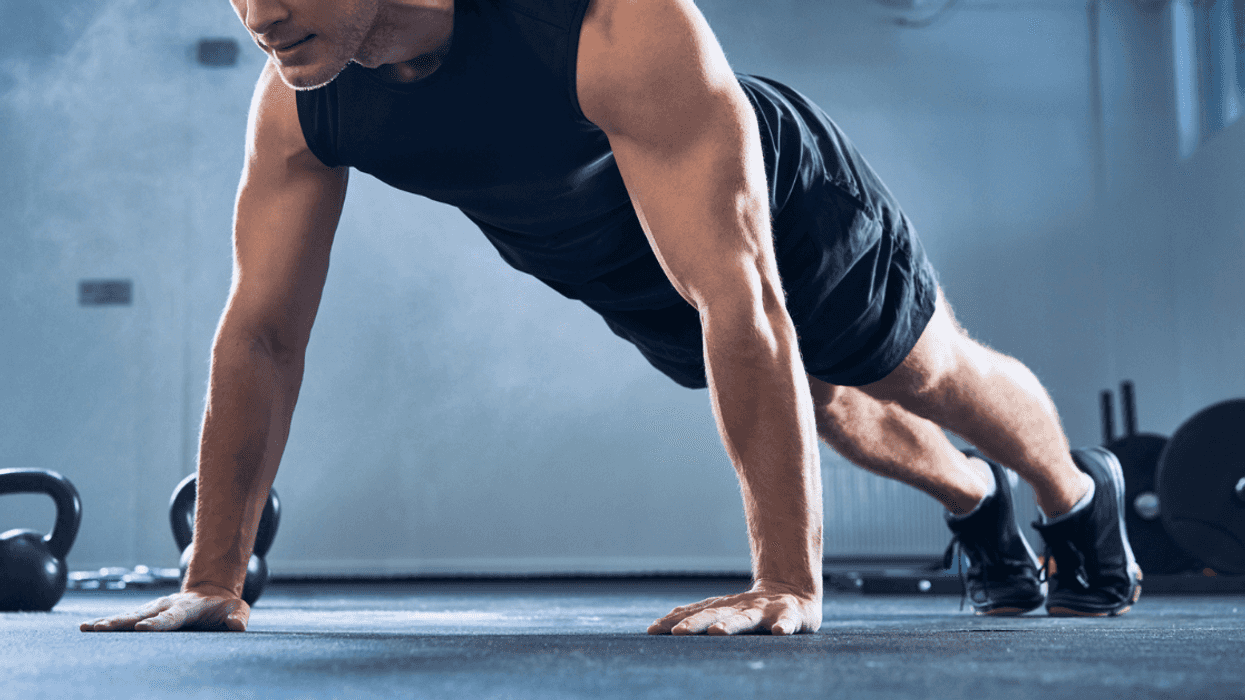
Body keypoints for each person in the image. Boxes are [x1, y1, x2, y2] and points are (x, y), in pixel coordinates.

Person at [80, 0, 1140, 636]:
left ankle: (1078, 495)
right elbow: (262, 333)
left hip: (772, 203)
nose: (258, 12)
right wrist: (212, 577)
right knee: (823, 408)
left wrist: (785, 583)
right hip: (612, 257)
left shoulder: (603, 23)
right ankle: (972, 496)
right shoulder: (300, 97)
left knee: (919, 371)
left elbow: (741, 293)